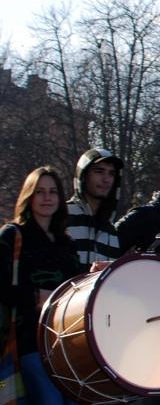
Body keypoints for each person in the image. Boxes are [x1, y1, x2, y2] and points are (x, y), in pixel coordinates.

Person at [0, 166, 80, 404]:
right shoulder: (12, 235)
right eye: (40, 192)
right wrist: (36, 297)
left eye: (53, 192)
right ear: (28, 196)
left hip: (67, 346)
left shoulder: (66, 242)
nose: (47, 198)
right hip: (27, 343)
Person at [67, 148, 124, 270]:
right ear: (83, 175)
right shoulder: (62, 215)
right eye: (99, 171)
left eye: (111, 173)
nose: (106, 179)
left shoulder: (111, 231)